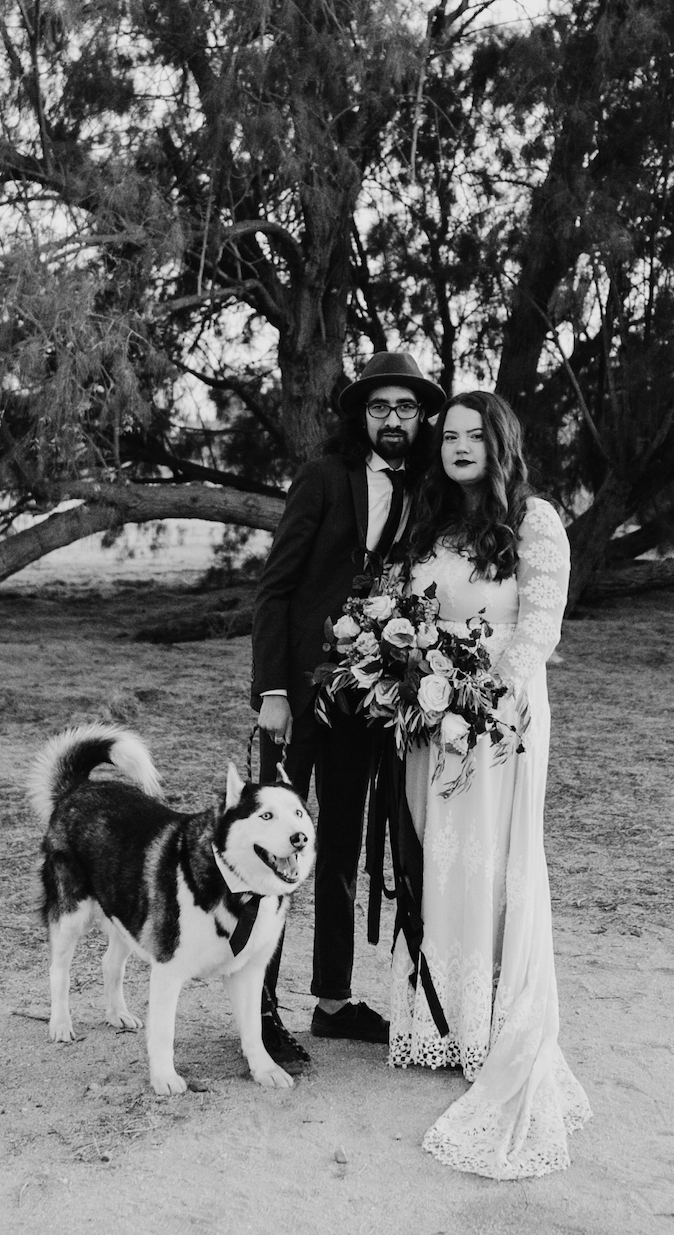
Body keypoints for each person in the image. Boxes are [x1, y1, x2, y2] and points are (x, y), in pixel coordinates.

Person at [385, 389, 592, 1178]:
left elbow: (539, 630)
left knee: (493, 861)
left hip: (500, 719)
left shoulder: (535, 522)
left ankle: (489, 1025)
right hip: (431, 720)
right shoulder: (430, 524)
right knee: (436, 857)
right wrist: (413, 683)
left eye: (475, 434)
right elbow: (408, 613)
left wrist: (478, 702)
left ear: (500, 442)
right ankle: (440, 1017)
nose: (459, 444)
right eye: (450, 435)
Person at [250, 350, 446, 1066]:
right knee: (275, 848)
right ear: (360, 414)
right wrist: (273, 692)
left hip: (366, 699)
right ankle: (260, 1005)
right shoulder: (324, 479)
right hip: (299, 698)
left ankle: (332, 1002)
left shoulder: (427, 490)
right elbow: (275, 588)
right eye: (378, 407)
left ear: (420, 415)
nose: (391, 420)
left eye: (404, 408)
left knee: (339, 851)